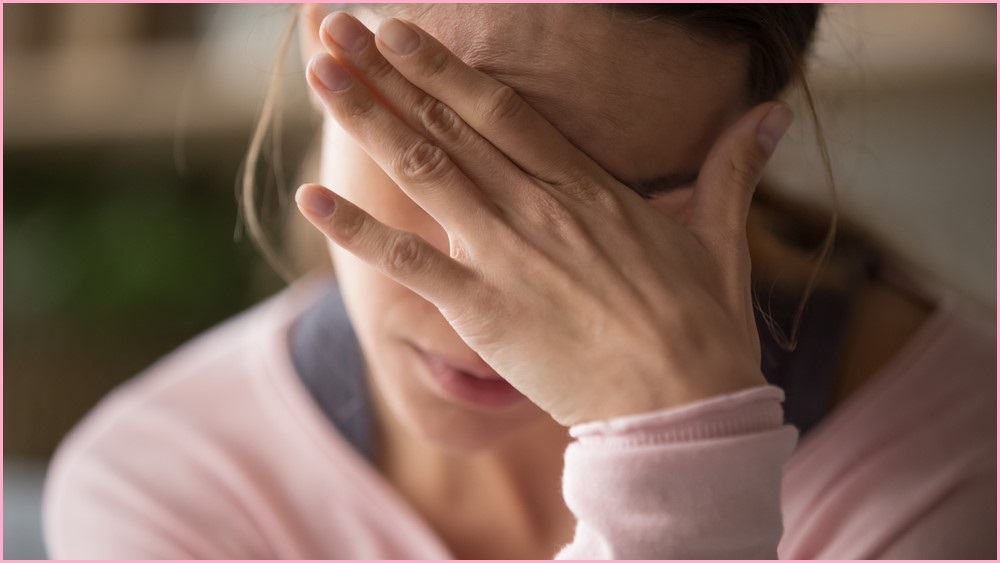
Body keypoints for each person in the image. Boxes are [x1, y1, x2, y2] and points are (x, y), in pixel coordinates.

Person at [43, 4, 996, 559]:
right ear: (315, 35)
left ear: (748, 141)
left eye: (616, 204)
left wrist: (678, 462)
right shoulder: (167, 491)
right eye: (439, 147)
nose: (482, 283)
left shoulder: (951, 462)